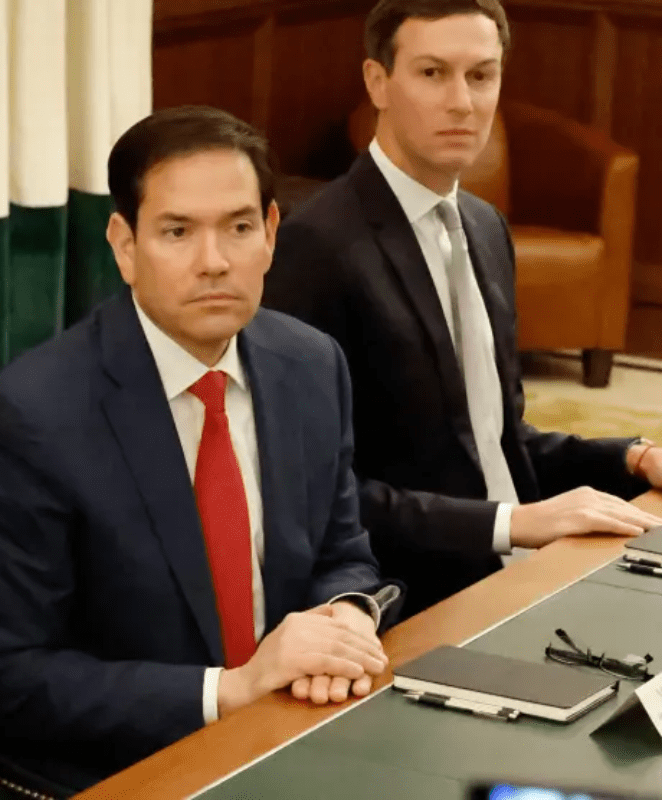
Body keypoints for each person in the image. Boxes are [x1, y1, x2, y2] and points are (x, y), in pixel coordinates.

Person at [0, 106, 402, 791]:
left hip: (294, 734)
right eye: (178, 232)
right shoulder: (28, 420)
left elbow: (341, 553)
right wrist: (230, 690)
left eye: (239, 228)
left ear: (271, 234)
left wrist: (346, 614)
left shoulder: (311, 365)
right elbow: (3, 678)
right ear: (125, 246)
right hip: (131, 770)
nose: (214, 262)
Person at [263, 0, 662, 617]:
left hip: (521, 565)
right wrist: (512, 524)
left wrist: (631, 455)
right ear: (377, 81)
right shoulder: (314, 246)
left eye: (481, 75)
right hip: (411, 596)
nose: (463, 102)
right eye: (433, 73)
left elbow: (493, 440)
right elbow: (314, 496)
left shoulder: (483, 226)